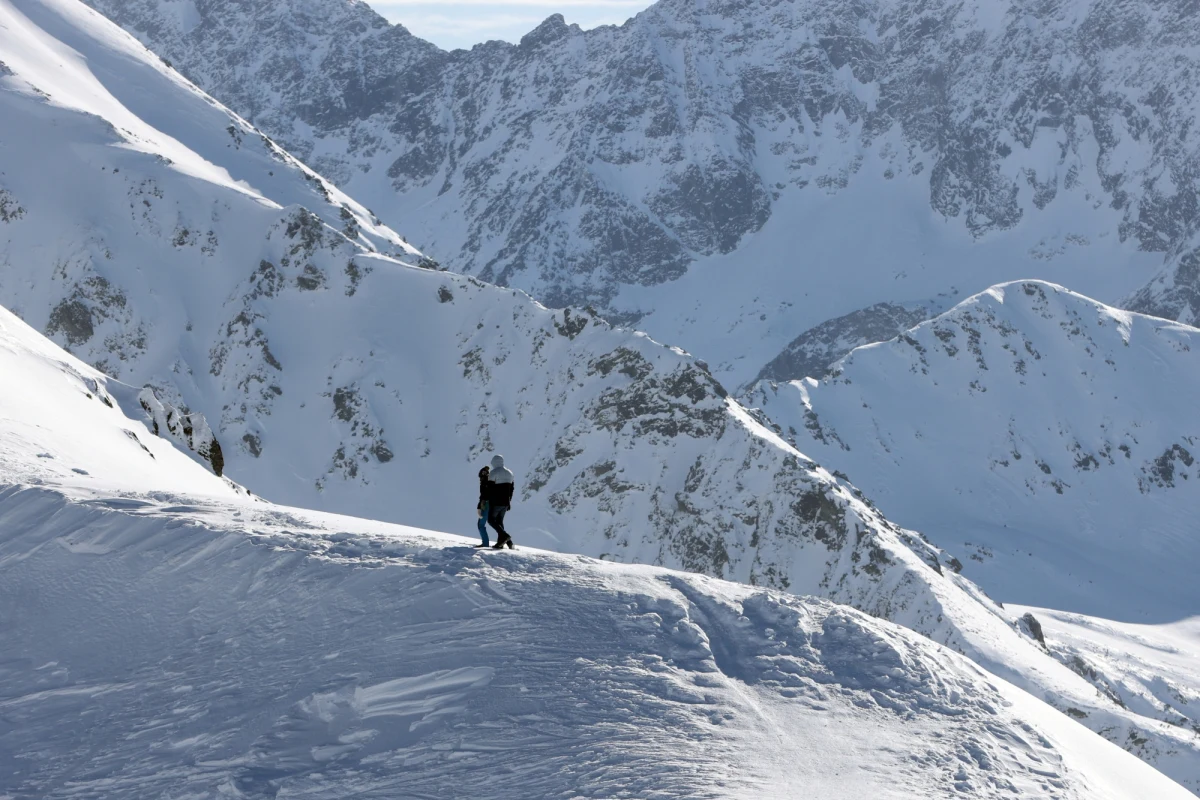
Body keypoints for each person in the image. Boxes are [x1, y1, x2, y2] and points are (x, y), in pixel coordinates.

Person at [484, 454, 515, 549]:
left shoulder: (493, 473)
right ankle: (506, 543)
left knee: (491, 520)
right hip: (506, 502)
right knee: (499, 522)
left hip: (496, 501)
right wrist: (509, 502)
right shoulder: (510, 473)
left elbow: (489, 489)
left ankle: (505, 537)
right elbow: (512, 489)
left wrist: (485, 500)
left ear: (494, 462)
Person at [474, 465, 491, 547]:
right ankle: (507, 540)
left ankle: (485, 543)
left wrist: (479, 507)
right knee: (495, 523)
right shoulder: (490, 481)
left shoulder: (484, 483)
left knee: (481, 524)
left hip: (486, 504)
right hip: (491, 504)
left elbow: (483, 496)